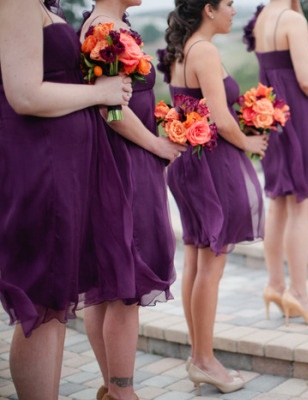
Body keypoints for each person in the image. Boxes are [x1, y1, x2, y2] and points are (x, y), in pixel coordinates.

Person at [0, 1, 133, 399]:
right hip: (39, 166)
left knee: (53, 305)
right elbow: (24, 94)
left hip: (61, 169)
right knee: (42, 304)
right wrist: (98, 93)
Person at [77, 1, 187, 399]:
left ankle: (111, 388)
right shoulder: (104, 29)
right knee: (126, 283)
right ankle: (123, 392)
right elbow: (112, 110)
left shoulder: (112, 23)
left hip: (121, 159)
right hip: (123, 162)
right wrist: (157, 144)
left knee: (108, 285)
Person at [157, 0, 267, 394]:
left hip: (190, 164)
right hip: (211, 166)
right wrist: (251, 142)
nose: (234, 11)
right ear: (208, 9)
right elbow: (221, 120)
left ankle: (199, 354)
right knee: (211, 265)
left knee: (197, 258)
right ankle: (204, 360)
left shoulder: (183, 48)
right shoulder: (204, 50)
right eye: (229, 4)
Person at [244, 0, 308, 326]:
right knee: (301, 204)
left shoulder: (262, 19)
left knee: (280, 204)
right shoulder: (292, 20)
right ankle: (298, 293)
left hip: (272, 115)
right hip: (299, 117)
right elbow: (305, 78)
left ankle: (275, 284)